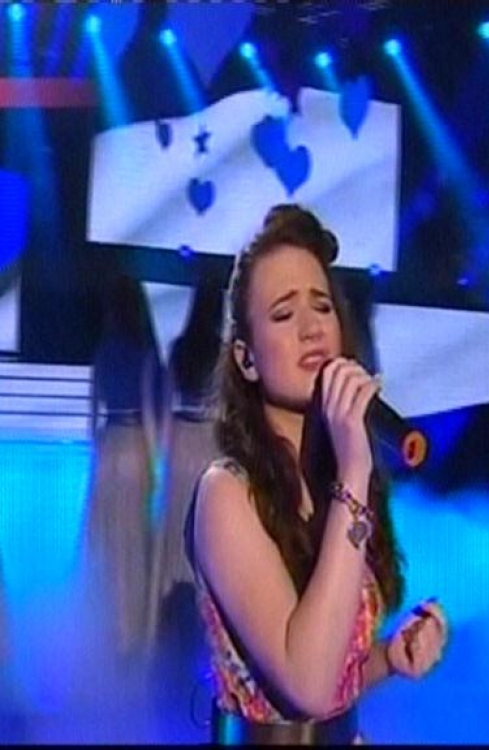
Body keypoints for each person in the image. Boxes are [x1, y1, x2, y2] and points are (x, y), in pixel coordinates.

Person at [187, 204, 448, 745]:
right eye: (284, 315)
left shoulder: (335, 480)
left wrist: (388, 657)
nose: (312, 329)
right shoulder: (227, 493)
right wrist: (355, 469)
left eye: (322, 307)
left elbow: (331, 680)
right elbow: (305, 685)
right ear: (247, 359)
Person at [146, 277, 224, 740]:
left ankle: (169, 651)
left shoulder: (179, 348)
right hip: (210, 444)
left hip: (180, 445)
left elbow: (164, 403)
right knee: (204, 542)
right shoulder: (223, 352)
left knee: (177, 536)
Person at [83, 272, 162, 660]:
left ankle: (101, 629)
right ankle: (131, 634)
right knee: (133, 546)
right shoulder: (145, 354)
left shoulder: (103, 351)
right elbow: (149, 414)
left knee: (106, 544)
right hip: (134, 446)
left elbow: (92, 414)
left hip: (108, 448)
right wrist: (156, 466)